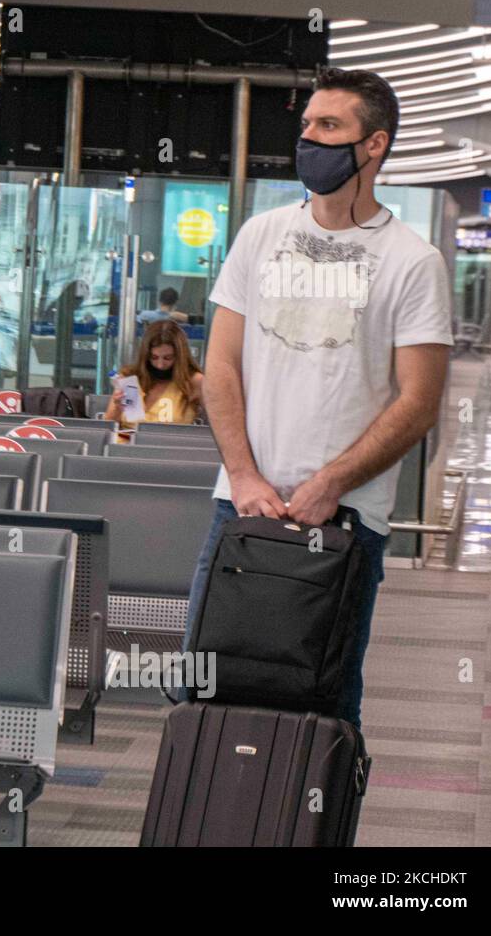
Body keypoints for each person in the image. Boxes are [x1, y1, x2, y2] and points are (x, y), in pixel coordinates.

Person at [181, 68, 452, 729]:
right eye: (306, 125)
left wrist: (330, 483)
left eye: (328, 127)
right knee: (206, 686)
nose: (309, 138)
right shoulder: (259, 234)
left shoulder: (413, 262)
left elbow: (419, 401)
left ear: (374, 145)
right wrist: (243, 475)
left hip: (347, 522)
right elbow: (219, 365)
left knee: (323, 702)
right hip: (240, 509)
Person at [104, 319, 204, 430]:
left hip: (169, 445)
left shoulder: (194, 382)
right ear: (146, 356)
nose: (160, 365)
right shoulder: (129, 378)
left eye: (168, 358)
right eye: (154, 357)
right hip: (125, 443)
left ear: (180, 356)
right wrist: (117, 408)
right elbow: (107, 429)